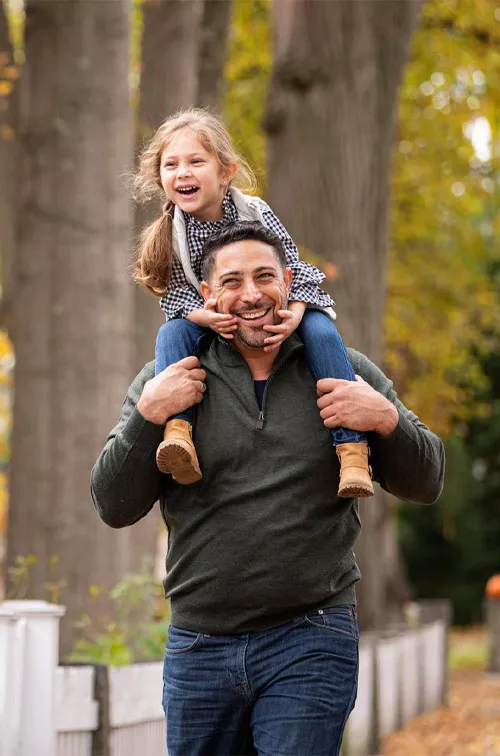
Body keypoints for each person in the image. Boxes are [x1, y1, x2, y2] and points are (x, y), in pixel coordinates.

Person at [91, 221, 445, 756]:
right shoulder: (167, 378)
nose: (251, 294)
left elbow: (428, 479)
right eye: (232, 281)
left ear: (290, 284)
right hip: (200, 645)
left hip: (311, 637)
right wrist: (148, 416)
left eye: (265, 277)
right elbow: (112, 504)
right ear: (207, 295)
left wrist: (385, 417)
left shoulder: (343, 370)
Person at [132, 107, 372, 497]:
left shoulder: (254, 212)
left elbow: (292, 266)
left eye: (196, 161)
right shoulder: (171, 233)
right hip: (211, 314)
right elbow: (175, 296)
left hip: (279, 302)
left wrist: (294, 314)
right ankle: (179, 434)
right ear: (161, 177)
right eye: (171, 165)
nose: (183, 173)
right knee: (171, 334)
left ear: (226, 172)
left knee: (323, 333)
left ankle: (352, 451)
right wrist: (206, 319)